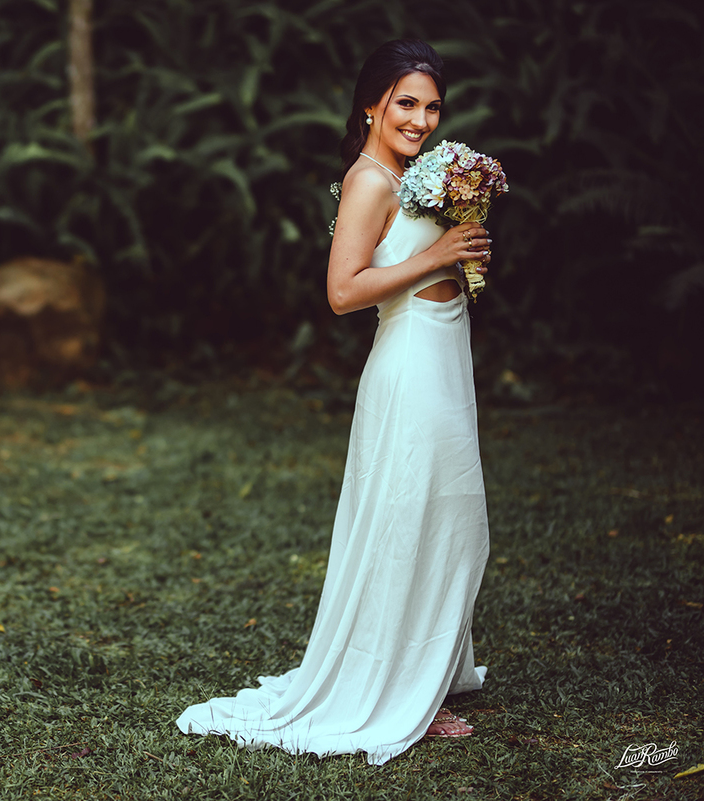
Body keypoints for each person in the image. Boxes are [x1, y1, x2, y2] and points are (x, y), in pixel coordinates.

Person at [176, 39, 492, 765]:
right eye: (406, 103)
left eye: (432, 107)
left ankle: (425, 674)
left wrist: (460, 258)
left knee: (447, 519)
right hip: (409, 364)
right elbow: (343, 291)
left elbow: (411, 264)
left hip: (444, 355)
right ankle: (395, 690)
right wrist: (437, 256)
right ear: (372, 105)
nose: (420, 120)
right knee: (410, 521)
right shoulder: (369, 181)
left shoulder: (413, 175)